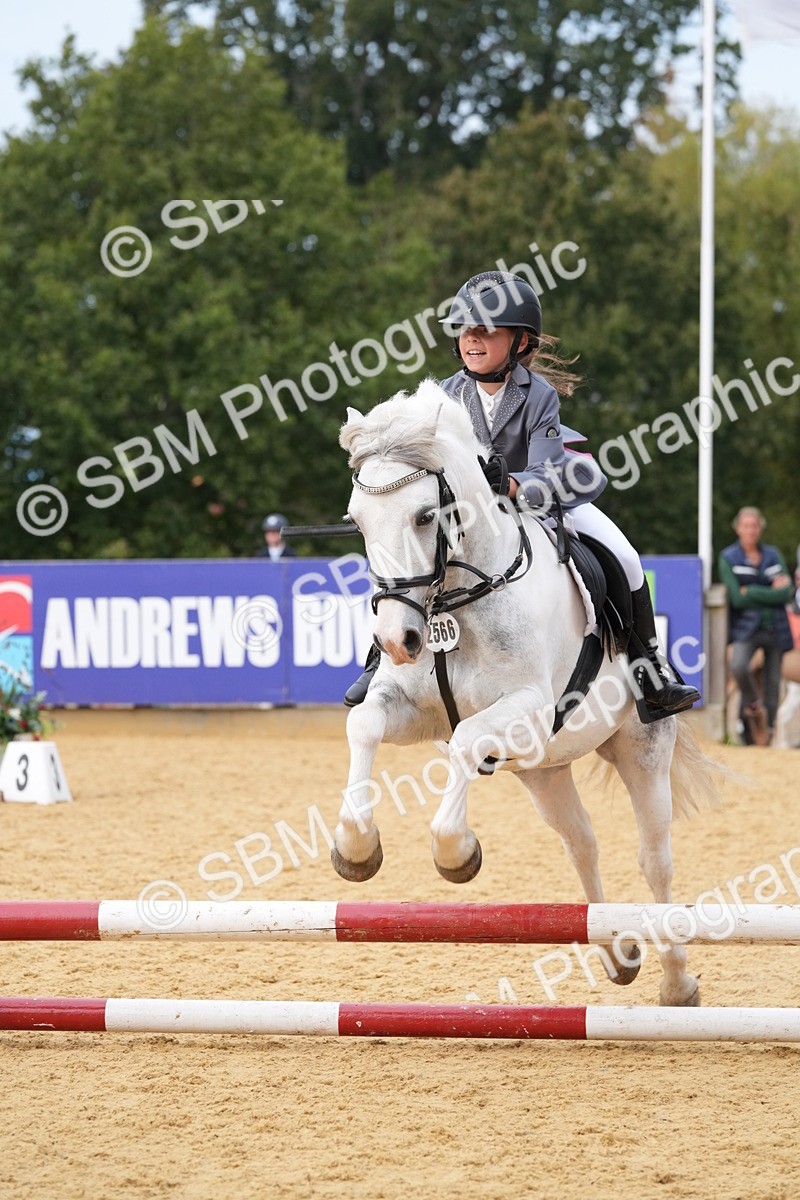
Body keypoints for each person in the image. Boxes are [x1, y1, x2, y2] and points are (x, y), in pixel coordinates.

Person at [345, 270, 700, 718]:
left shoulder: (539, 396)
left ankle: (651, 671)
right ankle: (378, 660)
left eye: (487, 331)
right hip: (468, 515)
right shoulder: (442, 397)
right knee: (405, 560)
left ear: (521, 342)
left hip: (536, 504)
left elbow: (547, 471)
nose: (472, 339)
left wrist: (511, 483)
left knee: (625, 556)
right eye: (465, 330)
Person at [719, 507, 795, 745]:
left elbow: (786, 593)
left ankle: (767, 733)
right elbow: (736, 598)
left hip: (776, 626)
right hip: (746, 628)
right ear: (738, 528)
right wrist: (770, 592)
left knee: (773, 684)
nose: (751, 530)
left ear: (760, 528)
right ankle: (753, 708)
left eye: (754, 526)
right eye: (746, 526)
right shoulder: (728, 557)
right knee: (739, 666)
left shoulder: (773, 554)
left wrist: (750, 590)